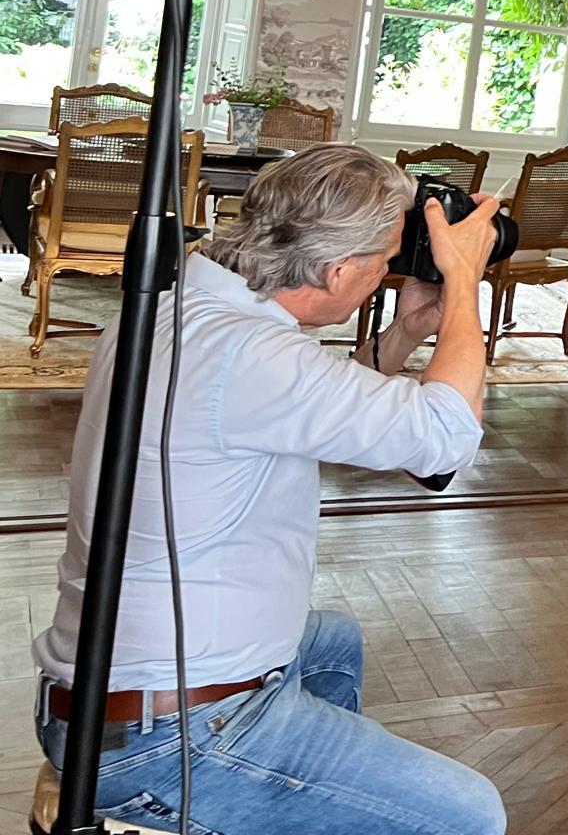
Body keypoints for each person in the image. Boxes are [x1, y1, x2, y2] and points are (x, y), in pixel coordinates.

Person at [33, 143, 507, 834]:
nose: (386, 274)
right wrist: (463, 284)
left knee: (332, 642)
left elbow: (316, 402)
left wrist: (406, 333)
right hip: (168, 743)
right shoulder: (253, 355)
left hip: (99, 696)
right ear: (336, 270)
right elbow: (445, 436)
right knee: (468, 815)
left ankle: (308, 805)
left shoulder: (171, 311)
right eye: (383, 261)